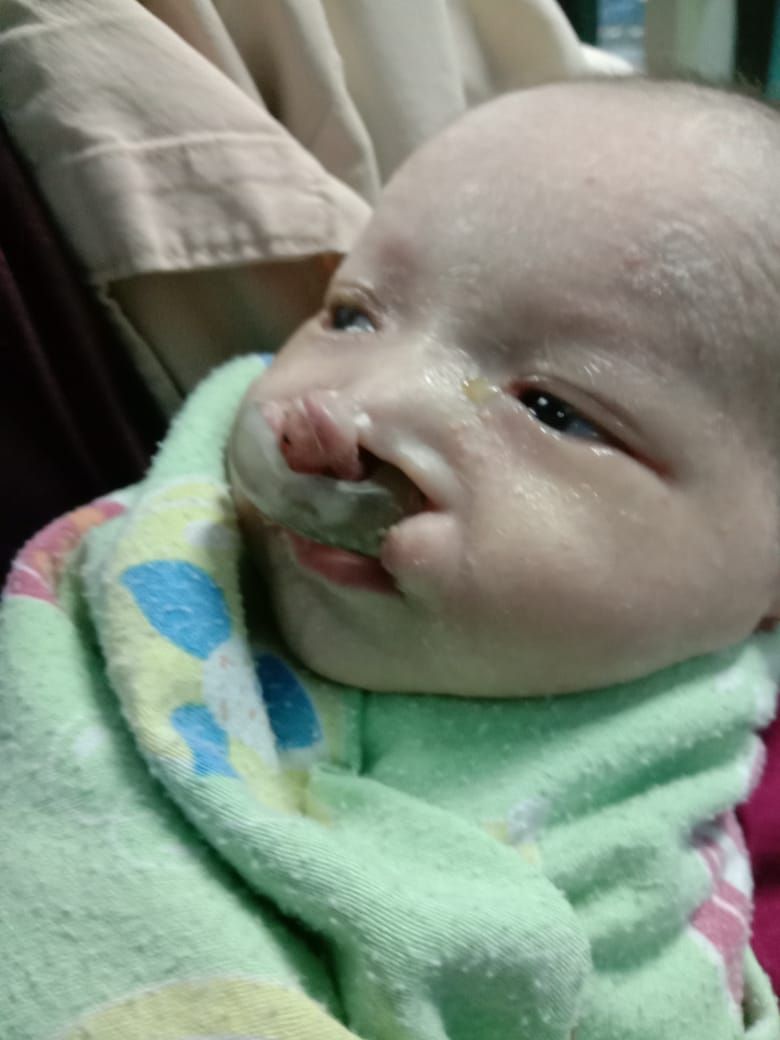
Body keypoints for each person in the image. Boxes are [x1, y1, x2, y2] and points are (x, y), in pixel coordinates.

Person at [2, 79, 780, 1039]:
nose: (350, 412)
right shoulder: (144, 584)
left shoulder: (706, 773)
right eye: (353, 315)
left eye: (552, 409)